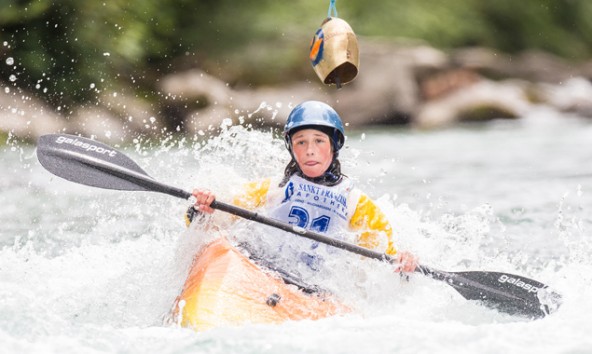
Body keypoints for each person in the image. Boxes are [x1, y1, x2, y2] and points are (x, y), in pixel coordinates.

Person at [188, 100, 418, 273]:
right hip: (260, 269)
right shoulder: (272, 189)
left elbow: (382, 259)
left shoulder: (355, 202)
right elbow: (212, 223)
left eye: (319, 140)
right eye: (301, 142)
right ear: (292, 148)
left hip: (313, 287)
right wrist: (203, 208)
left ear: (334, 145)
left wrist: (402, 263)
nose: (310, 150)